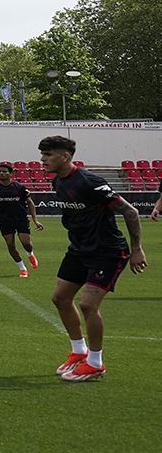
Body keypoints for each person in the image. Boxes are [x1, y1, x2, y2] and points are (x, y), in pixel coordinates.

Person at [39, 135, 147, 382]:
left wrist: (137, 249)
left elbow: (130, 212)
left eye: (48, 155)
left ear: (65, 156)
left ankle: (95, 363)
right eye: (42, 154)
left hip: (107, 251)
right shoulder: (58, 182)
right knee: (60, 298)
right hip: (80, 249)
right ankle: (79, 353)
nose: (43, 159)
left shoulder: (89, 182)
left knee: (88, 305)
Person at [0, 163, 43, 278]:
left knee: (26, 243)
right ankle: (23, 269)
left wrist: (35, 220)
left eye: (4, 171)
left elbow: (30, 203)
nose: (1, 173)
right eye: (0, 171)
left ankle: (30, 254)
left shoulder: (19, 187)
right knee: (10, 245)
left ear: (10, 173)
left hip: (21, 218)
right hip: (5, 220)